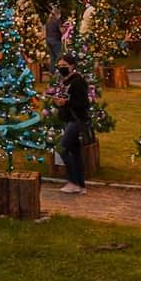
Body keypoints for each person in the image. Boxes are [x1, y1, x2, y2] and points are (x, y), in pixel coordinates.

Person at [52, 54, 90, 194]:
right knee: (75, 152)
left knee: (62, 147)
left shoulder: (77, 82)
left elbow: (83, 103)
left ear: (72, 66)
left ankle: (73, 181)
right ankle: (80, 184)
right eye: (60, 66)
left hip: (76, 120)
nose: (62, 69)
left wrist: (66, 102)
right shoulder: (65, 82)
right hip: (69, 119)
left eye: (64, 66)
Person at [45, 7, 63, 75]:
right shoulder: (57, 20)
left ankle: (52, 72)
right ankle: (57, 72)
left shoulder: (48, 21)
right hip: (56, 40)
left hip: (48, 40)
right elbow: (61, 30)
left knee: (52, 57)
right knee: (58, 56)